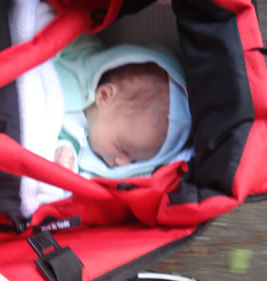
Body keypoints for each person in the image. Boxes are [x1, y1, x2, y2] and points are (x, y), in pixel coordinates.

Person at [52, 32, 193, 179]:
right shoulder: (81, 52)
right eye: (121, 147)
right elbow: (50, 31)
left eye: (134, 161)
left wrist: (64, 159)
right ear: (104, 96)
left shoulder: (77, 146)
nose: (122, 162)